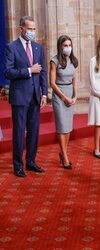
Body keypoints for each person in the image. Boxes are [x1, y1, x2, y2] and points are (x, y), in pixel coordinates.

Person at [4, 16, 47, 178]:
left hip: (36, 97)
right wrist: (29, 70)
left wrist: (44, 93)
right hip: (20, 97)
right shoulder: (12, 47)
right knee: (19, 132)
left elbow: (42, 72)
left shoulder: (38, 48)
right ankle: (18, 165)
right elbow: (8, 72)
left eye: (34, 29)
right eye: (29, 29)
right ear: (21, 28)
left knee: (34, 132)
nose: (32, 32)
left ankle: (30, 162)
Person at [49, 35, 78, 169]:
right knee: (62, 127)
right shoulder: (54, 61)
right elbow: (52, 84)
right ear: (60, 46)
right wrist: (64, 98)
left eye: (69, 45)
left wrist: (75, 96)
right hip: (59, 96)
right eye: (65, 45)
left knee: (68, 127)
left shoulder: (73, 60)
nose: (68, 48)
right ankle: (65, 157)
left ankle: (63, 153)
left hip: (70, 94)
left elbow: (74, 80)